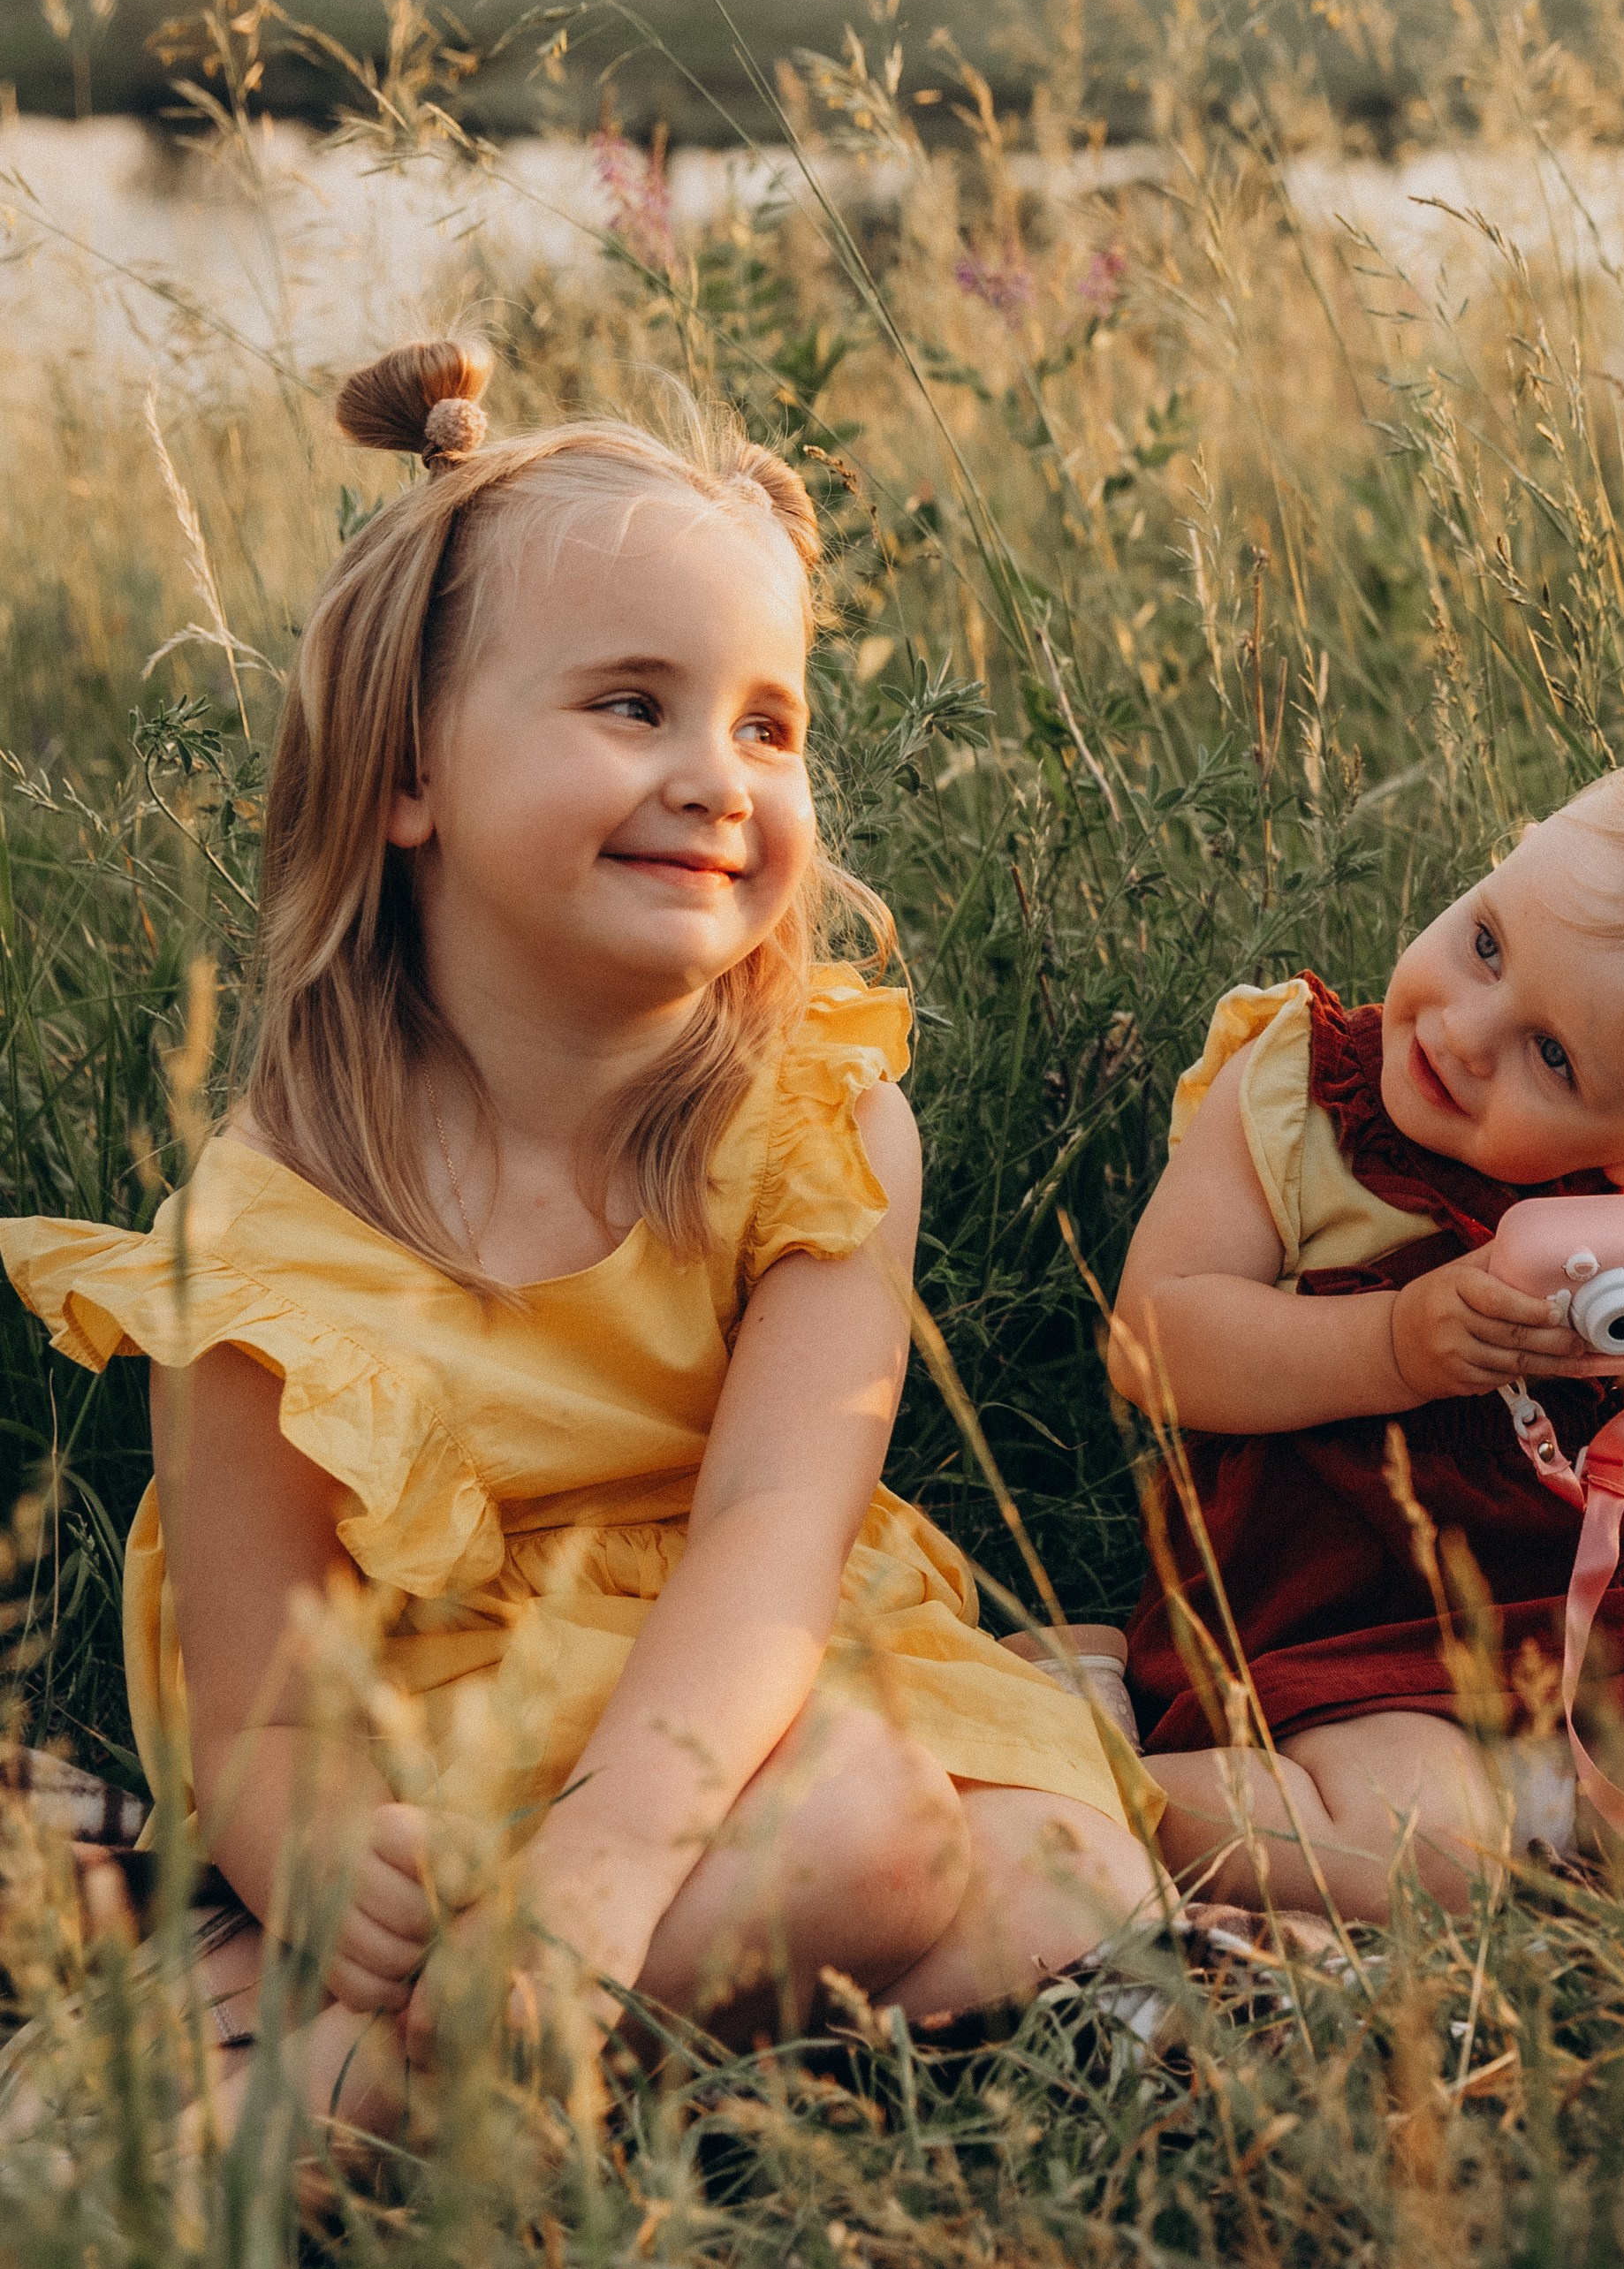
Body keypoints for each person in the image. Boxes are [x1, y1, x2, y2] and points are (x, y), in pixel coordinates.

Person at [2, 341, 1155, 2132]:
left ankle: (363, 2087)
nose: (718, 775)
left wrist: (614, 1860)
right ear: (408, 777)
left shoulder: (821, 1125)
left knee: (1043, 1867)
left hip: (751, 1671)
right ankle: (426, 2035)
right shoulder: (268, 1218)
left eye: (767, 723)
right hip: (446, 1739)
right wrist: (321, 1871)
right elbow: (260, 1711)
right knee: (882, 1867)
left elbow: (778, 1531)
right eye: (632, 706)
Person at [1105, 749, 1624, 1917]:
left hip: (1607, 1629)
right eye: (1488, 942)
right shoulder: (1298, 1094)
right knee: (1423, 1849)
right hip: (1344, 1624)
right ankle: (1094, 1796)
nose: (1464, 1028)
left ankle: (1583, 1810)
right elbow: (1152, 1343)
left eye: (1553, 1056)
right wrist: (1392, 1345)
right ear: (1505, 859)